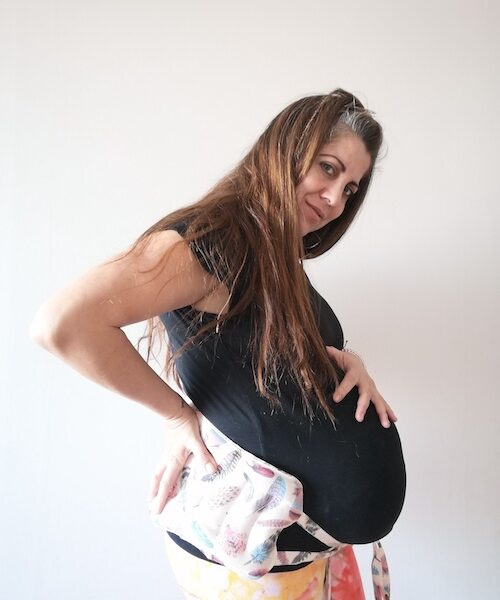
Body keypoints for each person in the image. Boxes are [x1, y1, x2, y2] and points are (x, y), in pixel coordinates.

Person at [30, 88, 406, 599]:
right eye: (328, 168)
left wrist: (347, 361)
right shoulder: (212, 241)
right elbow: (63, 324)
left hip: (299, 554)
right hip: (248, 565)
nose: (336, 200)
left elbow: (252, 359)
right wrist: (174, 416)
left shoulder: (274, 253)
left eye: (351, 188)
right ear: (286, 149)